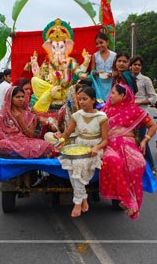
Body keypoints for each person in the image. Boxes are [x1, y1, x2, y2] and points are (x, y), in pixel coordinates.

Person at [100, 84, 157, 220]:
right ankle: (127, 200)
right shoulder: (105, 110)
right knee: (114, 161)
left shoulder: (133, 110)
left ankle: (131, 199)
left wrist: (144, 141)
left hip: (128, 143)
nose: (110, 96)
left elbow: (153, 125)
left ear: (122, 96)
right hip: (109, 145)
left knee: (137, 162)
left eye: (113, 93)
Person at [55, 86, 108, 217]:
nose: (82, 102)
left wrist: (96, 148)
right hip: (78, 146)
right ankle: (82, 197)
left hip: (94, 148)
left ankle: (78, 202)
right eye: (80, 100)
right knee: (70, 164)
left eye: (85, 99)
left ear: (93, 100)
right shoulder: (76, 115)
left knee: (78, 165)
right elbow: (66, 134)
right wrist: (58, 137)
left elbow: (105, 140)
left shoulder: (101, 117)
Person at [30, 18, 91, 112]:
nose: (57, 50)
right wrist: (35, 68)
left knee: (52, 93)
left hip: (65, 90)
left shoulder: (70, 60)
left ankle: (40, 106)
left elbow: (77, 71)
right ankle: (51, 90)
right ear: (50, 48)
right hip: (50, 87)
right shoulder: (47, 62)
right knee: (34, 80)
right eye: (54, 47)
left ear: (67, 47)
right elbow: (40, 78)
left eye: (61, 47)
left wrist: (84, 67)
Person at [0, 86, 53, 159]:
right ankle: (29, 154)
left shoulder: (27, 114)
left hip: (24, 142)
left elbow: (30, 135)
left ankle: (24, 154)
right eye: (17, 97)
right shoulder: (4, 113)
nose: (21, 99)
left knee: (47, 145)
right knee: (2, 144)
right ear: (10, 98)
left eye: (22, 97)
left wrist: (20, 120)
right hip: (10, 142)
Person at [130, 55, 157, 175]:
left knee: (142, 139)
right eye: (135, 64)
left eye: (139, 65)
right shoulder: (126, 78)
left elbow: (153, 98)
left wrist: (140, 102)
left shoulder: (145, 80)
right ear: (130, 66)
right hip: (127, 114)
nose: (136, 67)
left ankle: (151, 166)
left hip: (141, 114)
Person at [90, 32, 116, 102]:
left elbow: (116, 71)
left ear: (107, 42)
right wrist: (97, 72)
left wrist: (111, 74)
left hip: (111, 85)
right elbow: (92, 72)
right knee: (100, 104)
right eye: (97, 44)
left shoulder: (114, 55)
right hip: (98, 86)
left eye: (101, 43)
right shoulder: (95, 56)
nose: (99, 45)